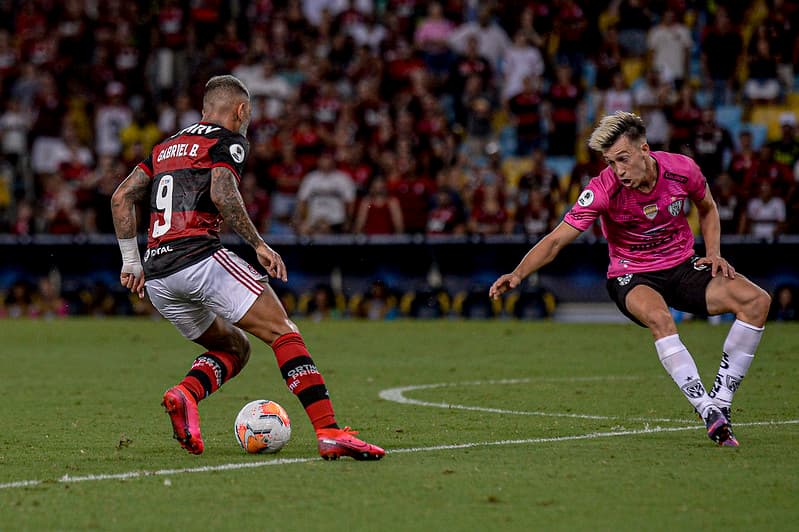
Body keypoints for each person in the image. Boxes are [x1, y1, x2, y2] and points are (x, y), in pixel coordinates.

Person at [110, 75, 384, 460]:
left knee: (235, 347)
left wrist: (131, 262)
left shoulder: (165, 147)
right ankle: (329, 431)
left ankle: (185, 394)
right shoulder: (227, 140)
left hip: (158, 278)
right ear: (240, 111)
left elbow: (121, 197)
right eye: (248, 114)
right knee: (282, 331)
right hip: (198, 258)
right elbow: (223, 191)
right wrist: (258, 244)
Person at [489, 111, 771, 447]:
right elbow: (555, 240)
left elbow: (707, 208)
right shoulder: (602, 189)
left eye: (623, 159)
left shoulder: (682, 170)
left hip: (682, 266)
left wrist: (713, 252)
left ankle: (721, 402)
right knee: (661, 319)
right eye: (610, 162)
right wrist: (518, 273)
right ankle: (706, 408)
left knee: (757, 301)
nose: (618, 170)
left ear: (644, 150)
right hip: (632, 275)